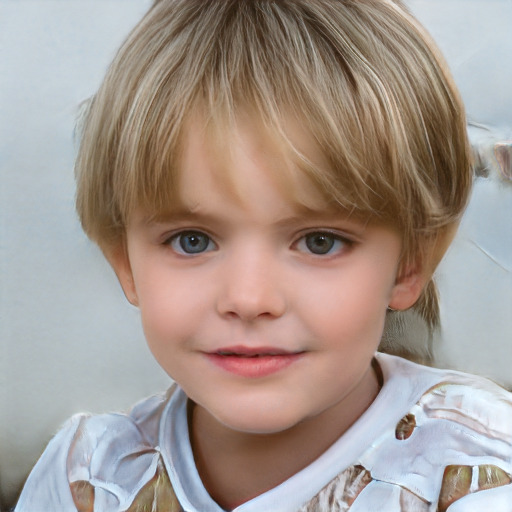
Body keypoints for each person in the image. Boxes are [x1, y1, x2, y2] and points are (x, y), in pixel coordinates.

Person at [15, 0, 512, 510]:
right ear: (125, 261)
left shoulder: (480, 476)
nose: (249, 299)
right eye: (193, 240)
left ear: (411, 263)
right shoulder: (86, 483)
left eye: (320, 241)